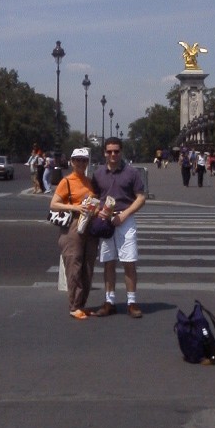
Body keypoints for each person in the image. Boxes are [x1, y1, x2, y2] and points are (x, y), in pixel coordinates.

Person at [91, 137, 146, 318]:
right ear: (104, 153)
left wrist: (125, 214)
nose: (113, 154)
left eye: (116, 151)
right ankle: (110, 301)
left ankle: (131, 302)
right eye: (109, 151)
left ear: (121, 152)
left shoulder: (131, 173)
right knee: (108, 262)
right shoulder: (98, 174)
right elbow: (95, 197)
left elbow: (140, 197)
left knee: (129, 262)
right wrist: (98, 211)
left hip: (125, 219)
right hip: (106, 220)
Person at [50, 147, 100, 320]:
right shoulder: (67, 181)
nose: (80, 163)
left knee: (88, 265)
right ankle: (74, 305)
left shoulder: (89, 181)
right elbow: (54, 204)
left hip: (90, 225)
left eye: (84, 160)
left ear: (87, 163)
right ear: (71, 162)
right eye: (77, 160)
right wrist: (75, 207)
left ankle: (82, 304)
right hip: (72, 225)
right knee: (74, 264)